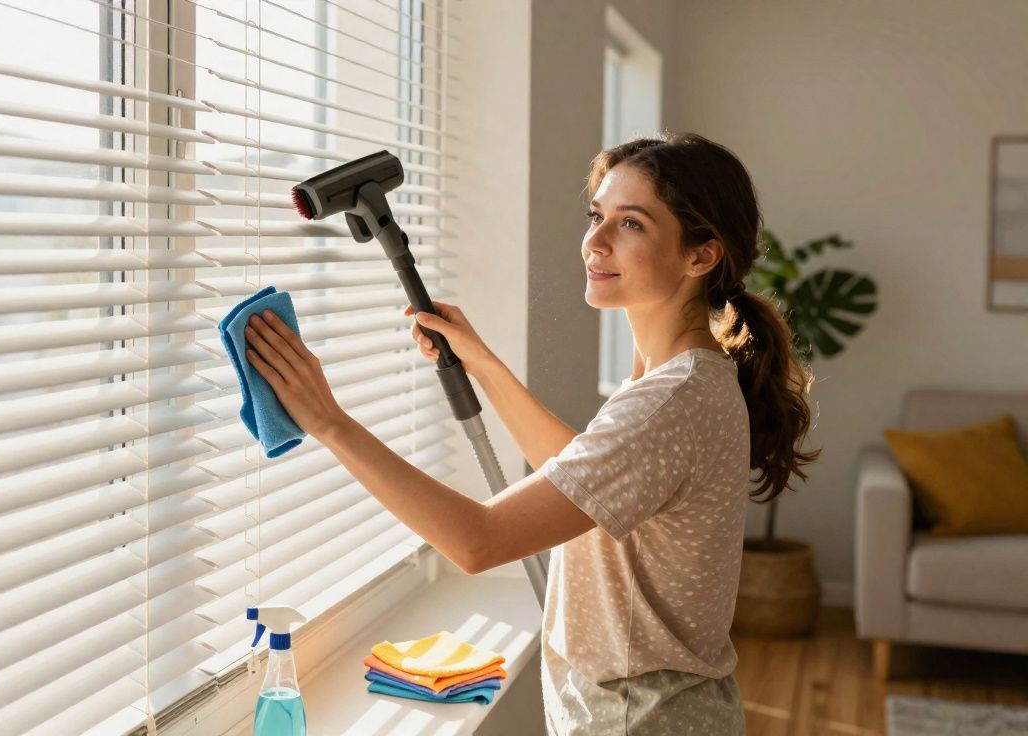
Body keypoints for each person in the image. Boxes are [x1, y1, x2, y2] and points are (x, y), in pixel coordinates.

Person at [241, 132, 821, 735]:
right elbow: (584, 475)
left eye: (631, 225)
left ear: (701, 255)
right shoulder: (682, 378)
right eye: (597, 215)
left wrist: (330, 422)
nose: (594, 242)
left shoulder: (670, 401)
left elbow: (478, 542)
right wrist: (483, 365)